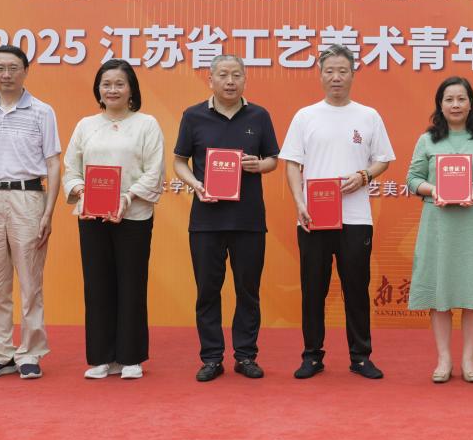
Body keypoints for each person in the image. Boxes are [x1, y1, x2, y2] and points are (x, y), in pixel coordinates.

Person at [281, 44, 395, 380]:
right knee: (313, 289)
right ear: (320, 75)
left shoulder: (368, 116)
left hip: (356, 219)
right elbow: (292, 164)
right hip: (313, 217)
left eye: (342, 71)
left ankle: (360, 356)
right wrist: (299, 202)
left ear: (353, 74)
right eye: (329, 71)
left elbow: (383, 159)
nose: (336, 77)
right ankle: (312, 356)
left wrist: (364, 176)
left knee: (356, 289)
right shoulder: (305, 116)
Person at [172, 55, 280, 382]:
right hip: (206, 221)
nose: (230, 81)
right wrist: (196, 185)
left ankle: (246, 356)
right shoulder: (193, 116)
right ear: (211, 80)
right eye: (223, 75)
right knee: (207, 291)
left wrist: (259, 165)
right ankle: (211, 357)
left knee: (248, 291)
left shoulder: (259, 116)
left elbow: (273, 159)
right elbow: (179, 162)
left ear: (245, 79)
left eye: (236, 75)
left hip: (249, 220)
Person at [0, 45, 62, 380]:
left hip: (28, 197)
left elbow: (53, 163)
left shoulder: (42, 112)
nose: (6, 75)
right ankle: (0, 353)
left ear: (25, 71)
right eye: (0, 68)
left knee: (30, 281)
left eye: (13, 68)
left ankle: (30, 353)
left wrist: (48, 212)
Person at [62, 59, 165, 380]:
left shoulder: (147, 124)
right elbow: (71, 169)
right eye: (106, 84)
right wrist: (82, 191)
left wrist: (126, 198)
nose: (113, 90)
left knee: (132, 284)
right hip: (92, 216)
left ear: (131, 89)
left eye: (120, 84)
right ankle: (101, 357)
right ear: (98, 89)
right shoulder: (85, 125)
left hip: (133, 216)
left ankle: (131, 357)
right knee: (97, 286)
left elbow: (155, 171)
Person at [406, 77, 473, 383]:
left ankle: (469, 358)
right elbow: (412, 179)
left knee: (472, 290)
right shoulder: (427, 140)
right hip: (438, 223)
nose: (455, 105)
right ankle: (444, 359)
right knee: (440, 292)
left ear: (471, 103)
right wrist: (432, 189)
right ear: (440, 105)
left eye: (461, 99)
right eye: (449, 99)